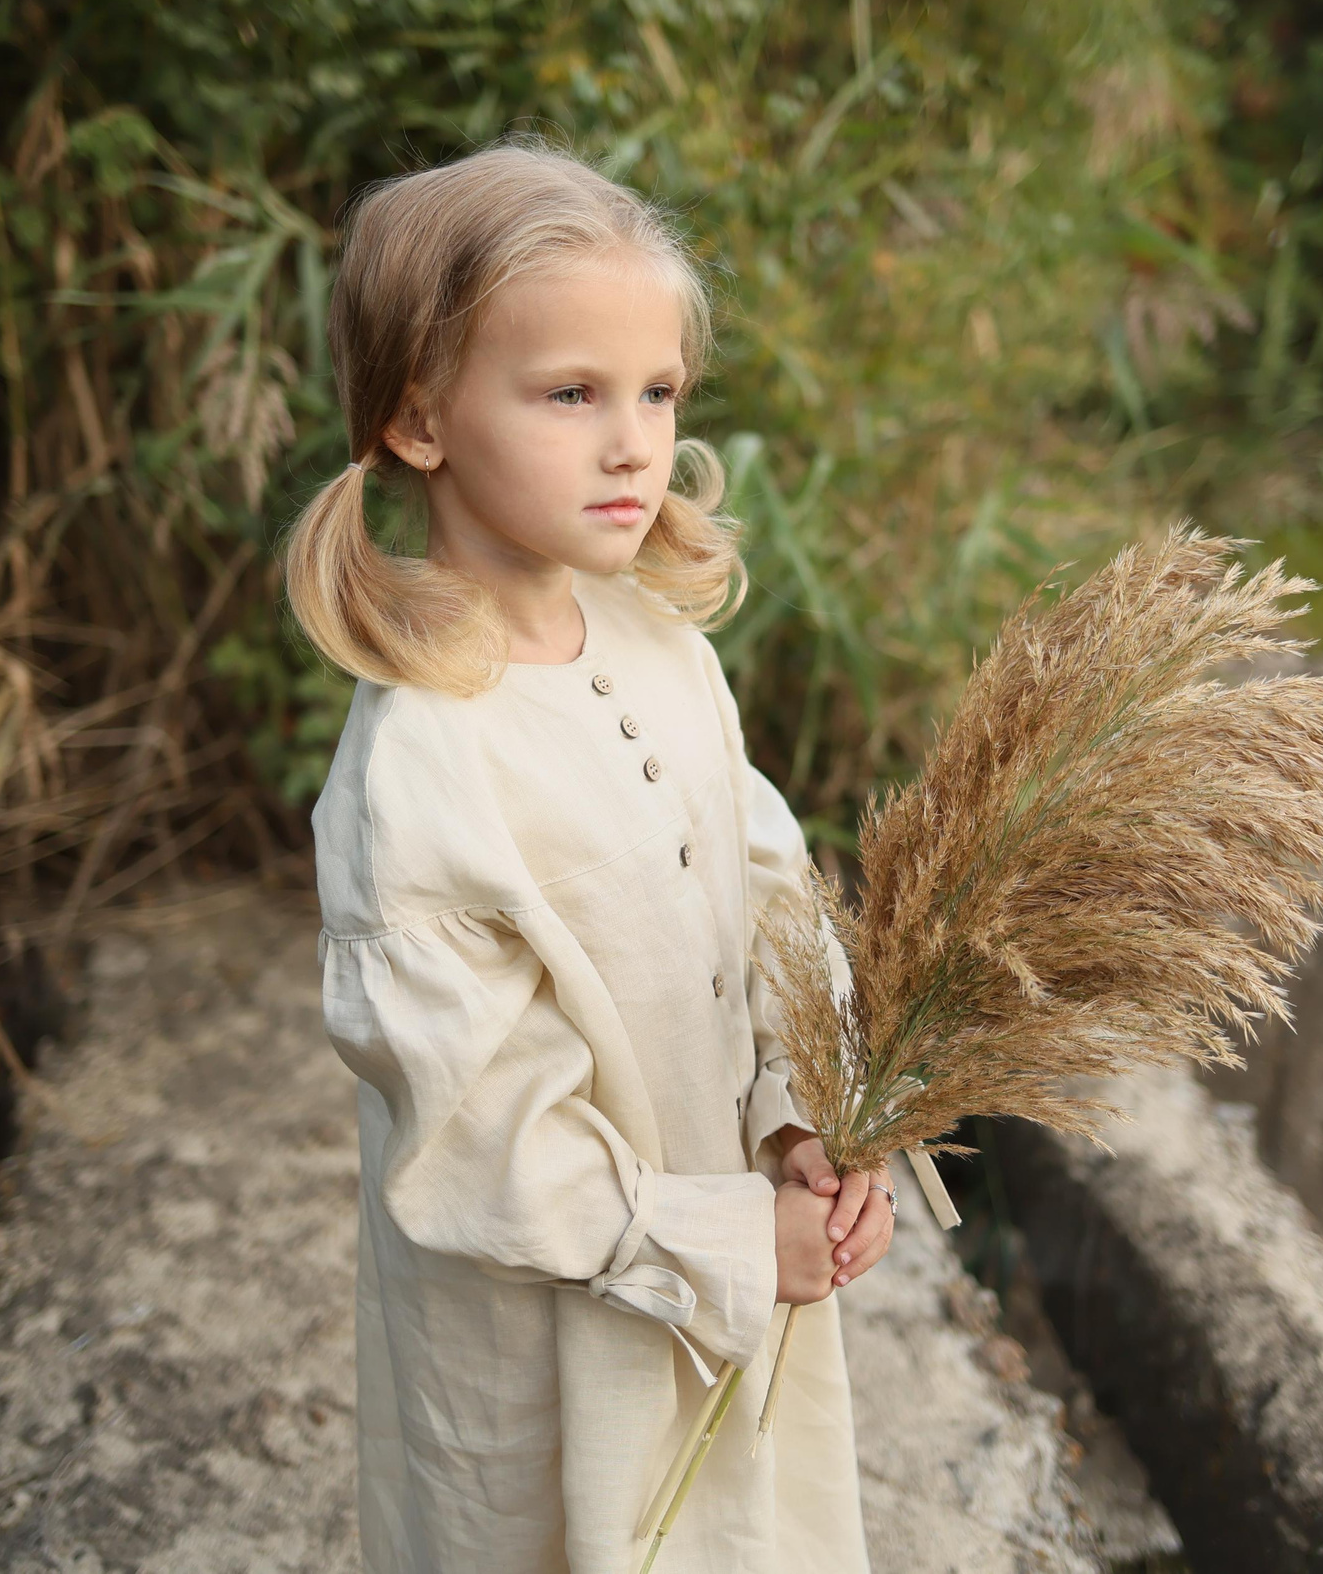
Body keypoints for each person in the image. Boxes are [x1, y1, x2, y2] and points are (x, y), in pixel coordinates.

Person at [284, 132, 892, 1574]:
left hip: (729, 1244)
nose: (636, 443)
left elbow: (765, 895)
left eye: (660, 391)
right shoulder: (427, 762)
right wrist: (736, 1246)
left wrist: (797, 1116)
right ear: (421, 418)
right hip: (554, 1334)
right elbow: (486, 1141)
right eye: (571, 394)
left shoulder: (658, 642)